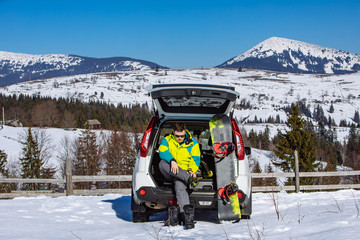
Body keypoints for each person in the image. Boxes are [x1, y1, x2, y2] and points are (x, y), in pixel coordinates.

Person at [158, 122, 201, 229]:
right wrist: (172, 160)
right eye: (177, 136)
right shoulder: (167, 140)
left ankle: (184, 216)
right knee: (161, 163)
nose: (179, 138)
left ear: (185, 132)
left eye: (182, 136)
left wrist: (191, 170)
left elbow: (195, 159)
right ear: (173, 133)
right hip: (170, 170)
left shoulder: (193, 143)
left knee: (180, 188)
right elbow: (162, 151)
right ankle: (188, 179)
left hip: (183, 173)